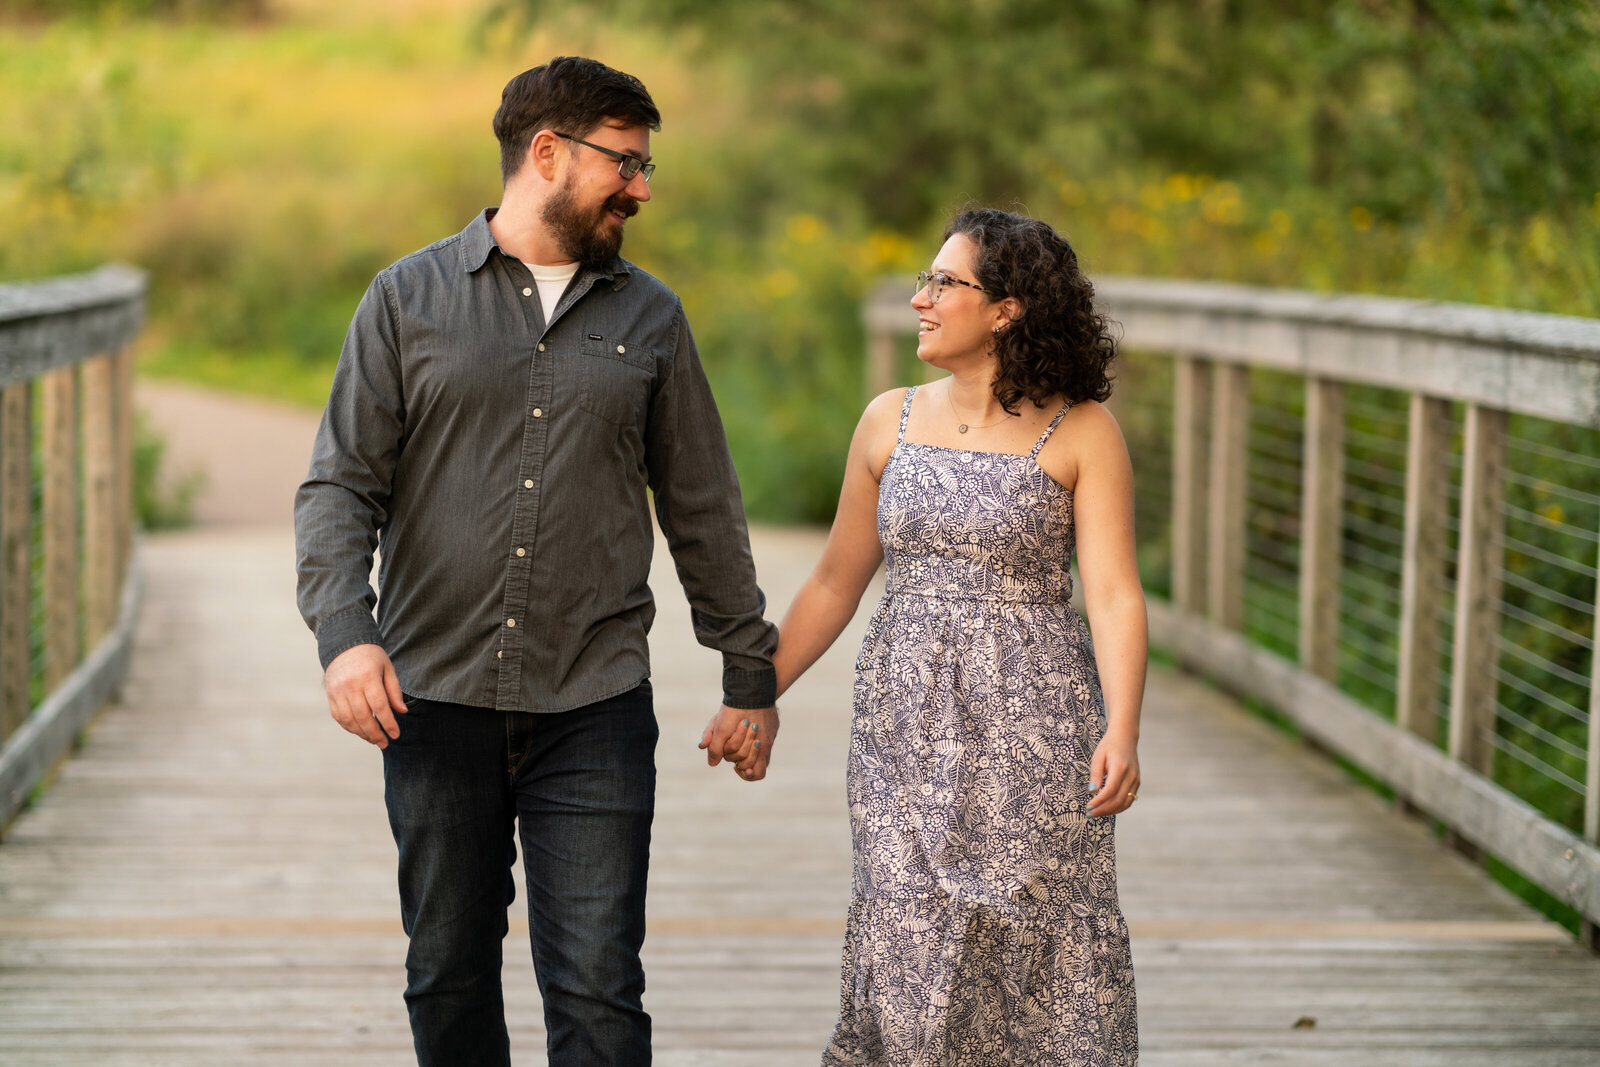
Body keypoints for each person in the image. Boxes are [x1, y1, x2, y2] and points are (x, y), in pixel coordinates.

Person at [294, 56, 778, 1067]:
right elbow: (340, 486)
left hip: (593, 702)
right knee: (448, 972)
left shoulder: (652, 318)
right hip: (432, 698)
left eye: (647, 166)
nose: (642, 189)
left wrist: (749, 673)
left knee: (601, 992)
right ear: (547, 153)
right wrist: (347, 635)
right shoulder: (407, 298)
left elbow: (701, 506)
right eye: (626, 163)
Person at [721, 208, 1144, 1063]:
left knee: (1031, 930)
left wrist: (1123, 727)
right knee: (905, 927)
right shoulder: (889, 421)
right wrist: (754, 693)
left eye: (942, 284)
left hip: (1036, 729)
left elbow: (1111, 591)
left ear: (1006, 309)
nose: (921, 298)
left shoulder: (1084, 430)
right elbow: (836, 581)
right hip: (902, 727)